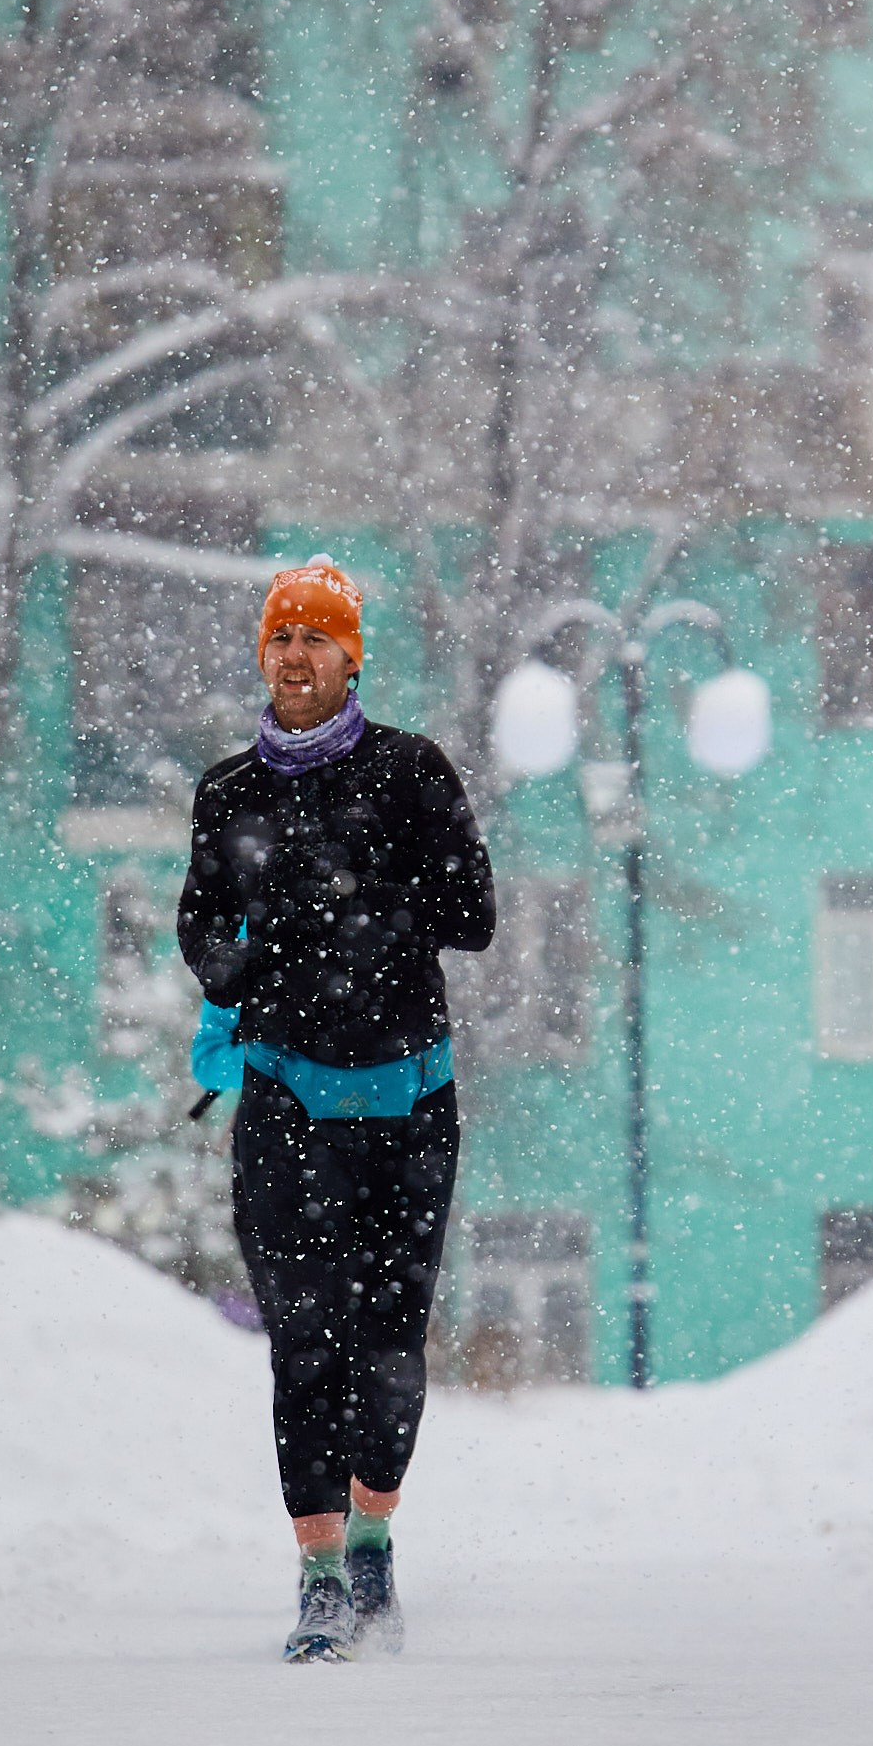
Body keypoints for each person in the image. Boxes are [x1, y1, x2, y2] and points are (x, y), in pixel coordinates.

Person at [177, 558, 496, 1662]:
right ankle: (316, 1578)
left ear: (351, 656)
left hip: (409, 1107)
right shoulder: (229, 794)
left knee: (391, 1343)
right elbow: (202, 935)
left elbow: (476, 916)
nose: (297, 658)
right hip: (286, 1111)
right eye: (280, 640)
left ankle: (372, 1542)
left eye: (316, 640)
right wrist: (241, 963)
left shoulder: (411, 772)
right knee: (303, 1343)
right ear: (261, 656)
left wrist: (371, 892)